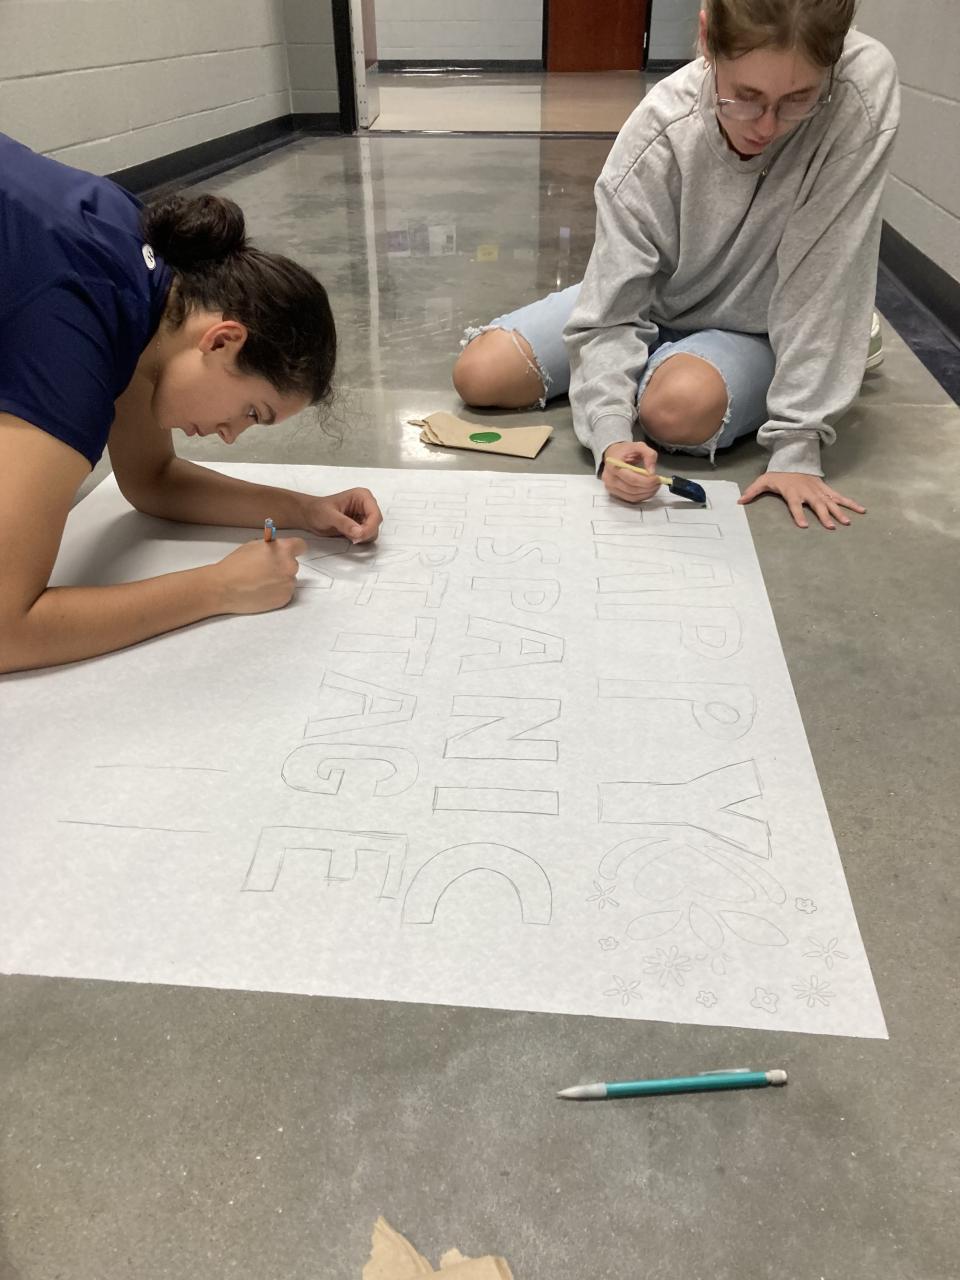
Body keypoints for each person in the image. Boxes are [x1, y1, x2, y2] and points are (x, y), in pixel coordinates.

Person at [453, 0, 899, 531]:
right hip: (664, 295)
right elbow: (613, 309)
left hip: (761, 320)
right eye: (746, 97)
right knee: (480, 374)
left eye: (798, 98)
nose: (767, 126)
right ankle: (661, 358)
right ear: (707, 39)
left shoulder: (859, 91)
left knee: (673, 409)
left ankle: (846, 341)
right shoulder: (660, 132)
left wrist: (797, 443)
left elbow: (825, 275)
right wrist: (611, 431)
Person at [0, 133, 382, 675]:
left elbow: (151, 478)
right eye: (252, 412)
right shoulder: (72, 341)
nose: (230, 434)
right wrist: (217, 587)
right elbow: (6, 630)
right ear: (223, 341)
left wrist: (305, 511)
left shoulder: (156, 285)